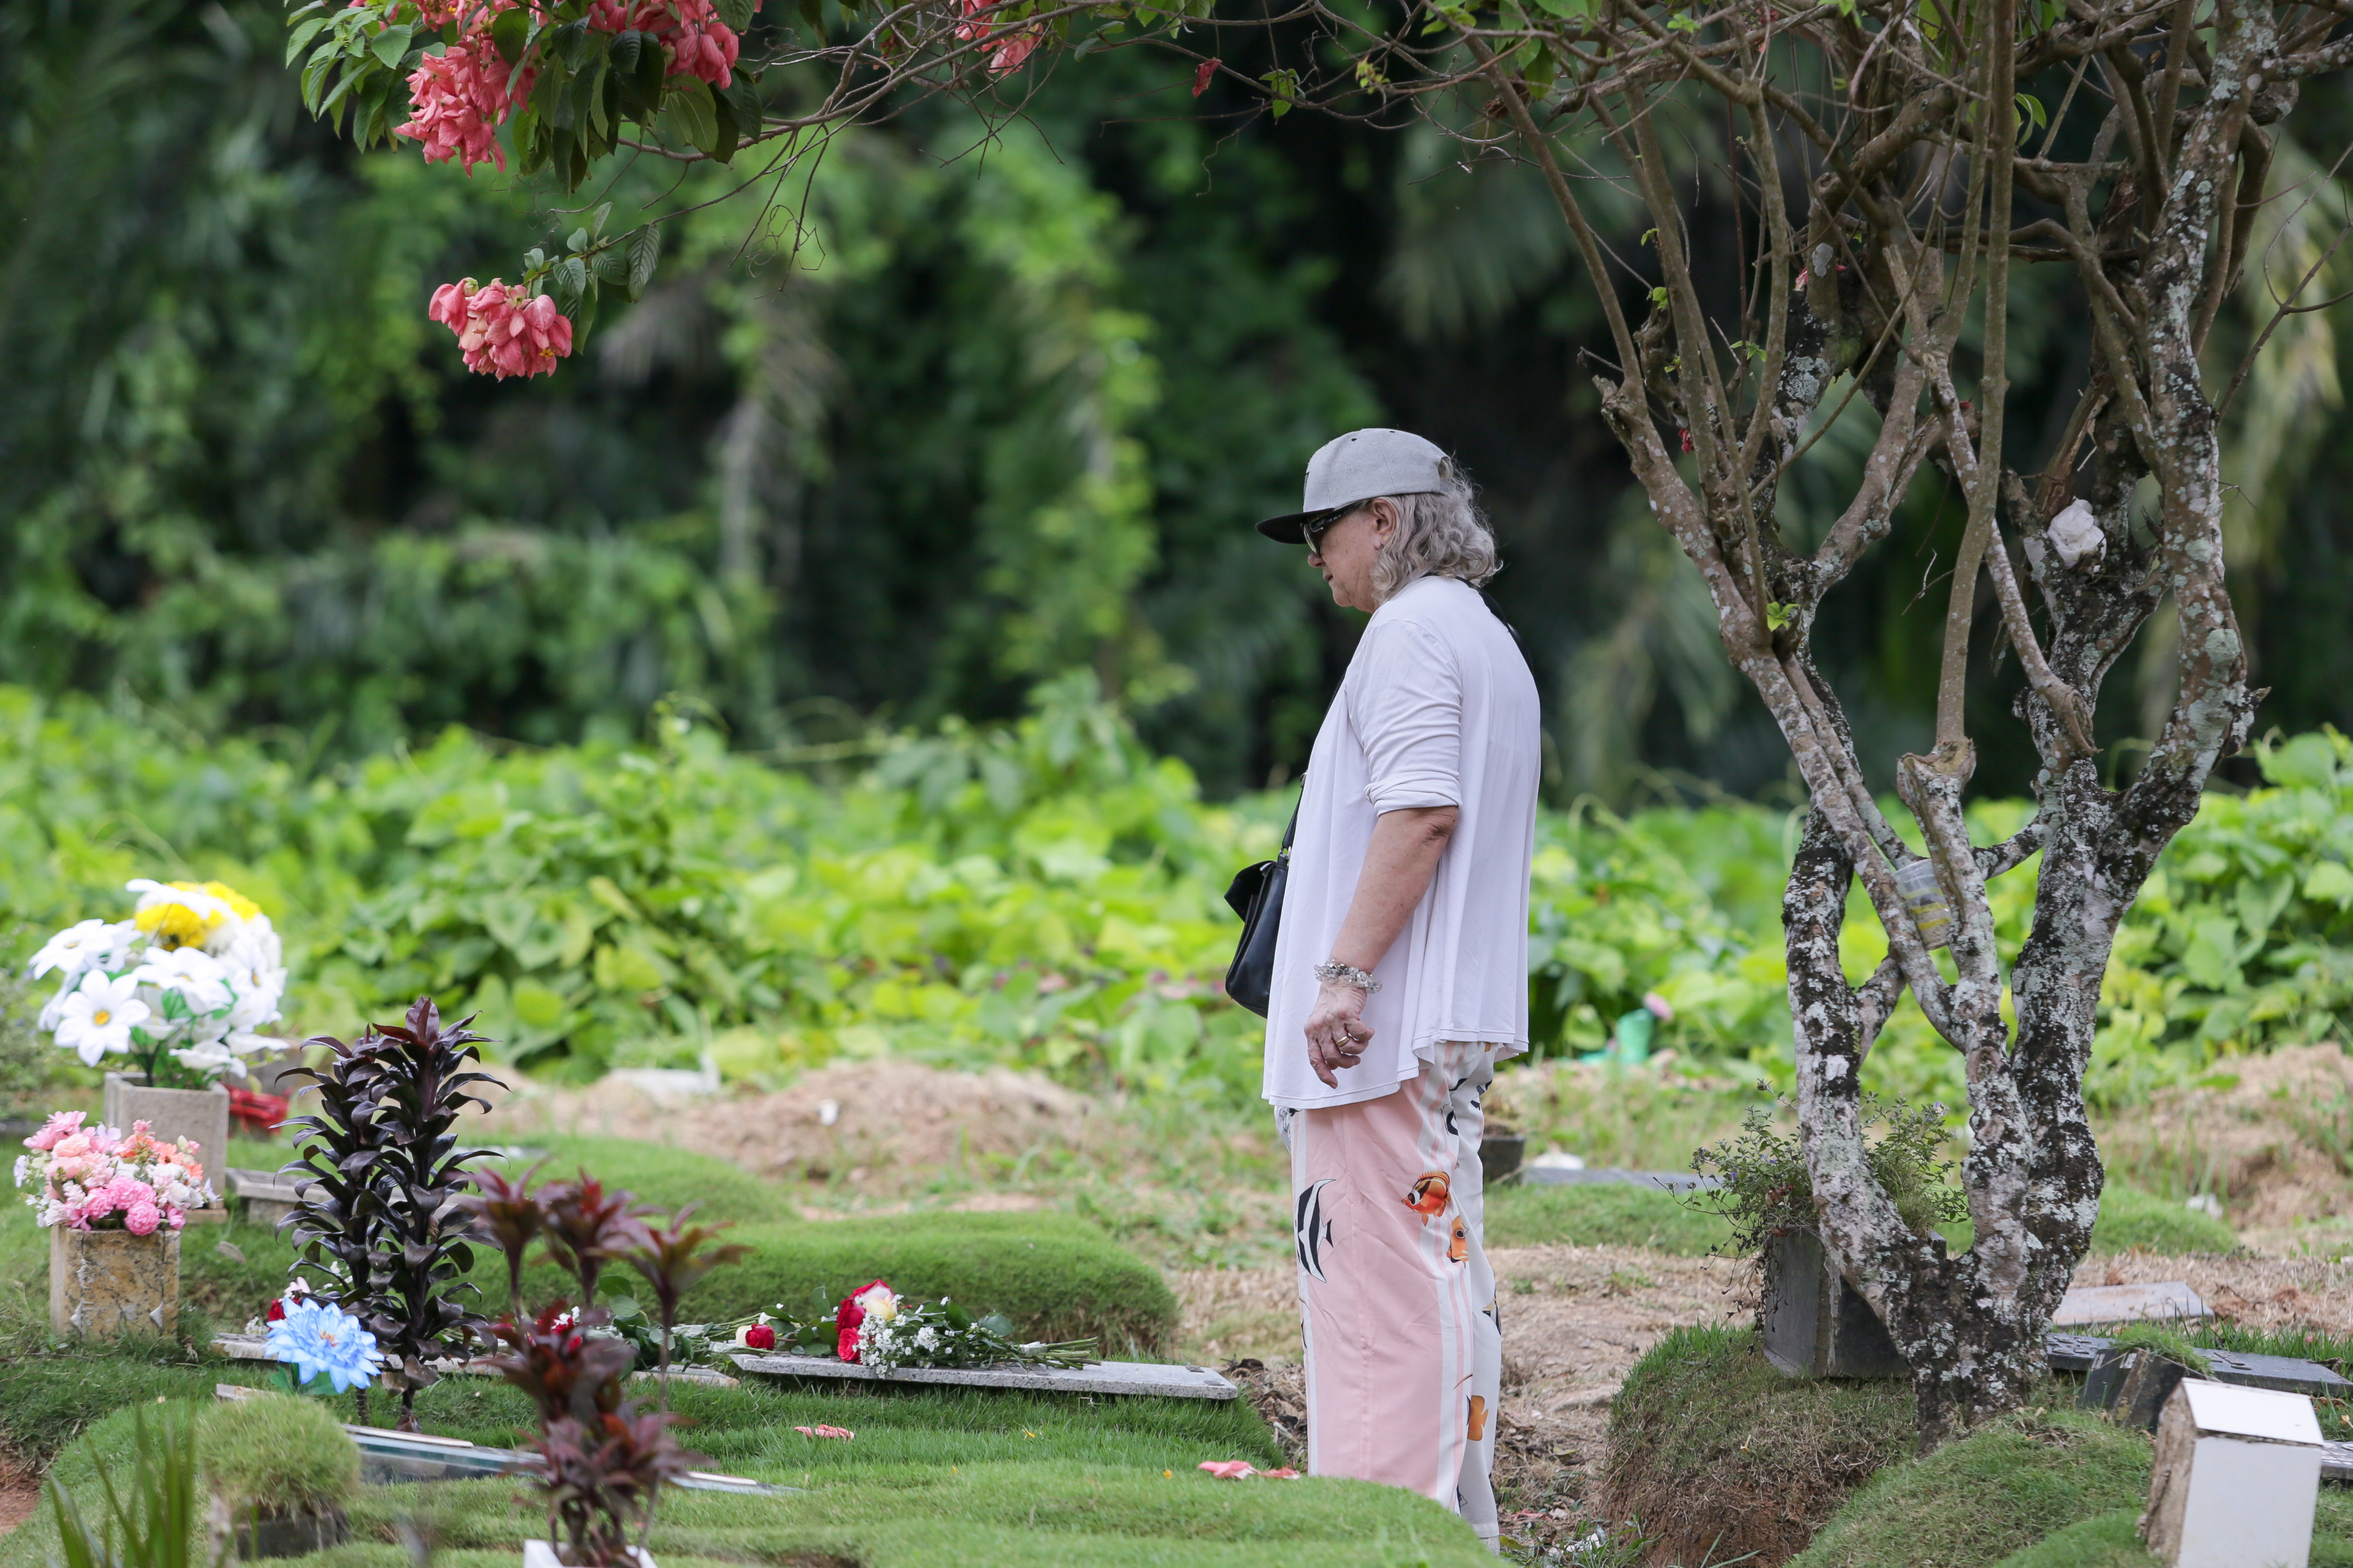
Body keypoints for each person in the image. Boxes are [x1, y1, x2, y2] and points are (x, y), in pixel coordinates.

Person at [1254, 428, 1540, 1550]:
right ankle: (1448, 1525)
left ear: (1382, 518)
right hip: (1435, 1025)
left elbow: (1420, 810)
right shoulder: (1480, 635)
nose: (1315, 559)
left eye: (1320, 533)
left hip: (1381, 1029)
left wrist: (1341, 974)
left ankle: (1379, 1530)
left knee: (1373, 1288)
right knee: (1436, 1267)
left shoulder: (1413, 630)